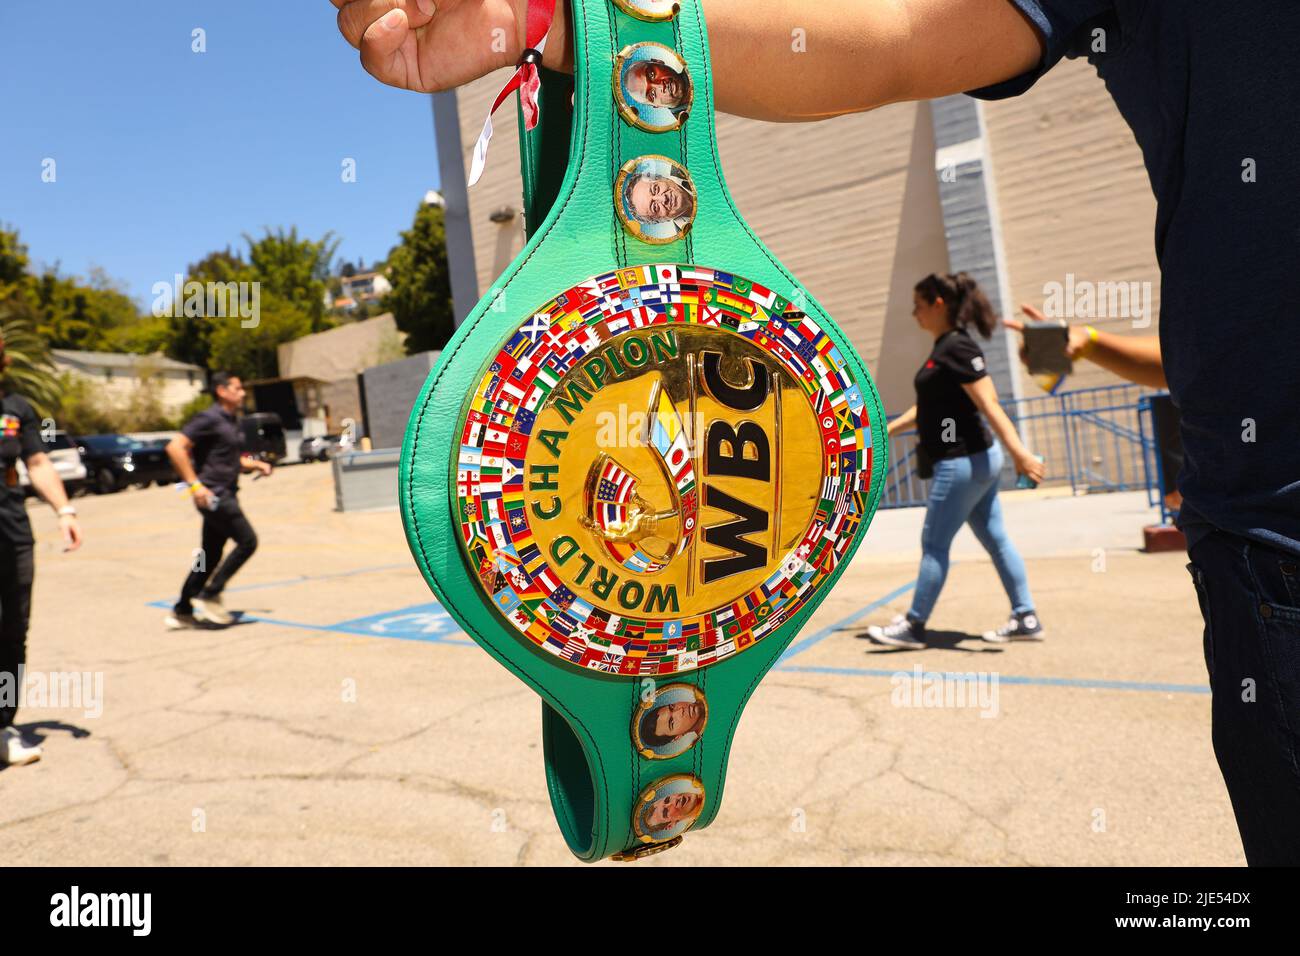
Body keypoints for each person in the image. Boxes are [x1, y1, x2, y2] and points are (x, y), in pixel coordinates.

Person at [332, 0, 1300, 864]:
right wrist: (564, 21)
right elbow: (904, 32)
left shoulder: (953, 350)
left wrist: (1015, 437)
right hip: (1273, 549)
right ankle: (986, 612)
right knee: (964, 541)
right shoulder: (951, 353)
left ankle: (946, 616)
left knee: (948, 542)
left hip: (1244, 535)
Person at [865, 273, 1046, 648]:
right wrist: (884, 431)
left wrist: (1021, 453)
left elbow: (988, 402)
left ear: (938, 304)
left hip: (962, 461)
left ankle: (914, 626)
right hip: (977, 460)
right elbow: (928, 408)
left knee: (934, 544)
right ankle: (1025, 616)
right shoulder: (947, 348)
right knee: (996, 539)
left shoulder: (956, 348)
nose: (914, 313)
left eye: (918, 305)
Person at [0, 331, 83, 766]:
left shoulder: (16, 409)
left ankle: (2, 726)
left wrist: (64, 510)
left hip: (12, 533)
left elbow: (36, 462)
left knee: (13, 633)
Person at [164, 373, 271, 629]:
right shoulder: (209, 418)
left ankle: (183, 609)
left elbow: (229, 459)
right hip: (214, 494)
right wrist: (195, 485)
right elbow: (174, 447)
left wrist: (255, 464)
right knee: (248, 541)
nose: (243, 392)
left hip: (226, 491)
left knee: (210, 555)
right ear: (222, 391)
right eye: (238, 387)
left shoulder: (231, 421)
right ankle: (211, 593)